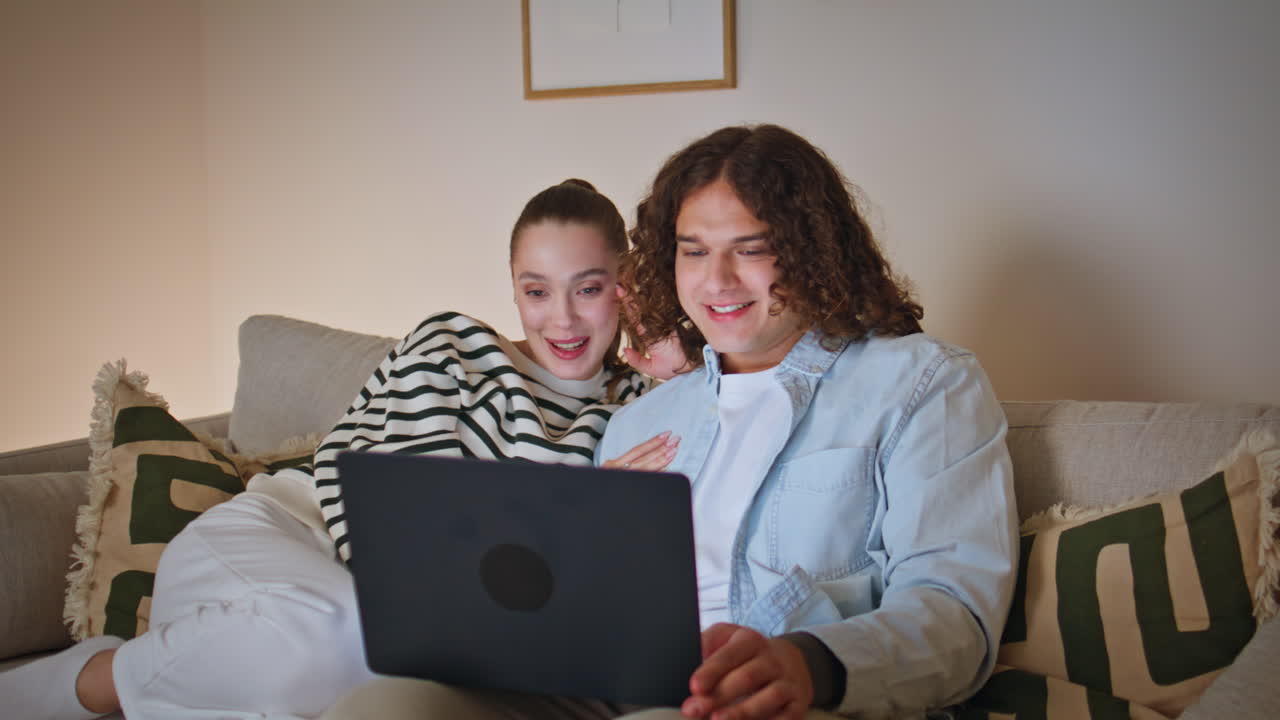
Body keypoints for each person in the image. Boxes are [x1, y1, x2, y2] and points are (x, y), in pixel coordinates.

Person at [324, 125, 1018, 720]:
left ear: (812, 248)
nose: (716, 281)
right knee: (387, 705)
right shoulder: (640, 419)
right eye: (693, 249)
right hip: (601, 684)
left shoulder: (923, 382)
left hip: (774, 696)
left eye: (750, 249)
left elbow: (957, 614)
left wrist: (811, 663)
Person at [1, 179, 681, 720]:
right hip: (279, 540)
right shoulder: (455, 347)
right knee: (369, 641)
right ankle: (91, 682)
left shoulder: (634, 405)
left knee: (363, 683)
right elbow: (412, 539)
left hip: (322, 633)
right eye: (536, 291)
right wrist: (571, 510)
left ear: (626, 288)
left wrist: (674, 357)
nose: (560, 318)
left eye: (588, 289)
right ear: (511, 287)